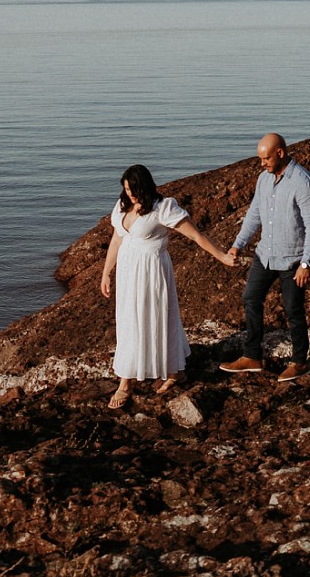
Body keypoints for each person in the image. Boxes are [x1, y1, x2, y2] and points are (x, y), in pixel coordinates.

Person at [98, 164, 237, 410]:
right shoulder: (122, 207)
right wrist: (106, 272)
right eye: (126, 189)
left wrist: (222, 257)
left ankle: (160, 375)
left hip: (152, 273)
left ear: (145, 186)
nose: (129, 193)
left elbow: (196, 236)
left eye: (133, 189)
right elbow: (117, 239)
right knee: (128, 321)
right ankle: (134, 379)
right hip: (128, 274)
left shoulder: (163, 207)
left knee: (156, 319)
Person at [220, 133, 310, 382]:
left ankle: (299, 361)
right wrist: (237, 245)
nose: (262, 163)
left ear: (280, 153)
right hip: (265, 255)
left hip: (293, 260)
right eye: (260, 158)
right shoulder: (263, 179)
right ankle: (252, 356)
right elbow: (254, 214)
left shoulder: (302, 182)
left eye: (265, 158)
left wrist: (307, 263)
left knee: (293, 310)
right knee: (251, 298)